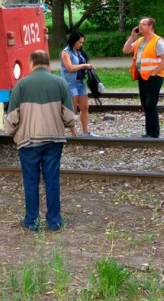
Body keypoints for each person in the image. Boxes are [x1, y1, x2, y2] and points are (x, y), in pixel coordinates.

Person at [5, 49, 77, 232]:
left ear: (31, 64)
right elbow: (69, 117)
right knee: (52, 180)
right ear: (48, 64)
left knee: (31, 181)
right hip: (54, 140)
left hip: (28, 142)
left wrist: (12, 134)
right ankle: (54, 222)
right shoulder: (60, 83)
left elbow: (12, 118)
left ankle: (32, 222)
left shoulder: (21, 85)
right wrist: (68, 125)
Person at [122, 17, 164, 138]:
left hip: (153, 77)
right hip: (142, 76)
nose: (140, 26)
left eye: (143, 24)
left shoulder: (157, 41)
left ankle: (154, 133)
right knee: (145, 103)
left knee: (151, 103)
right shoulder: (140, 41)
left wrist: (154, 73)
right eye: (140, 24)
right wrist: (132, 36)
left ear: (150, 26)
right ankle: (149, 132)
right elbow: (126, 50)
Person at [60, 31, 96, 137]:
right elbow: (69, 68)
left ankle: (86, 131)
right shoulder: (65, 52)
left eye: (82, 43)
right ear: (73, 41)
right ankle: (74, 133)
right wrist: (84, 66)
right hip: (70, 83)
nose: (81, 45)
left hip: (80, 83)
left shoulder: (79, 52)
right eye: (79, 42)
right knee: (73, 108)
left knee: (85, 107)